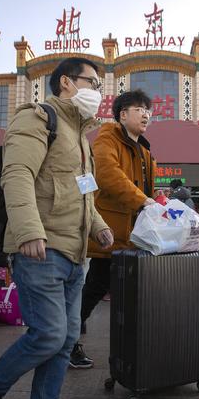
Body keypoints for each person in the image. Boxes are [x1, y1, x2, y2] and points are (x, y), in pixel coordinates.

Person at [0, 57, 112, 399]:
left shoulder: (81, 137)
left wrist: (98, 227)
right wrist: (28, 229)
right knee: (49, 334)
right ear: (66, 82)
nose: (97, 92)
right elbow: (16, 175)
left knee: (66, 339)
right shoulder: (36, 118)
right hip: (41, 247)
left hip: (75, 253)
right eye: (92, 82)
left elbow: (85, 193)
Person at [69, 89, 156, 369]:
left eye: (148, 110)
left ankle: (131, 348)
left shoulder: (144, 149)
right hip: (111, 231)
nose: (146, 114)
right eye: (139, 108)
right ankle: (69, 342)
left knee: (119, 291)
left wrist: (155, 203)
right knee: (95, 288)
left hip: (134, 235)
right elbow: (106, 174)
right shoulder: (108, 136)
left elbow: (145, 190)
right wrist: (143, 200)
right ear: (122, 114)